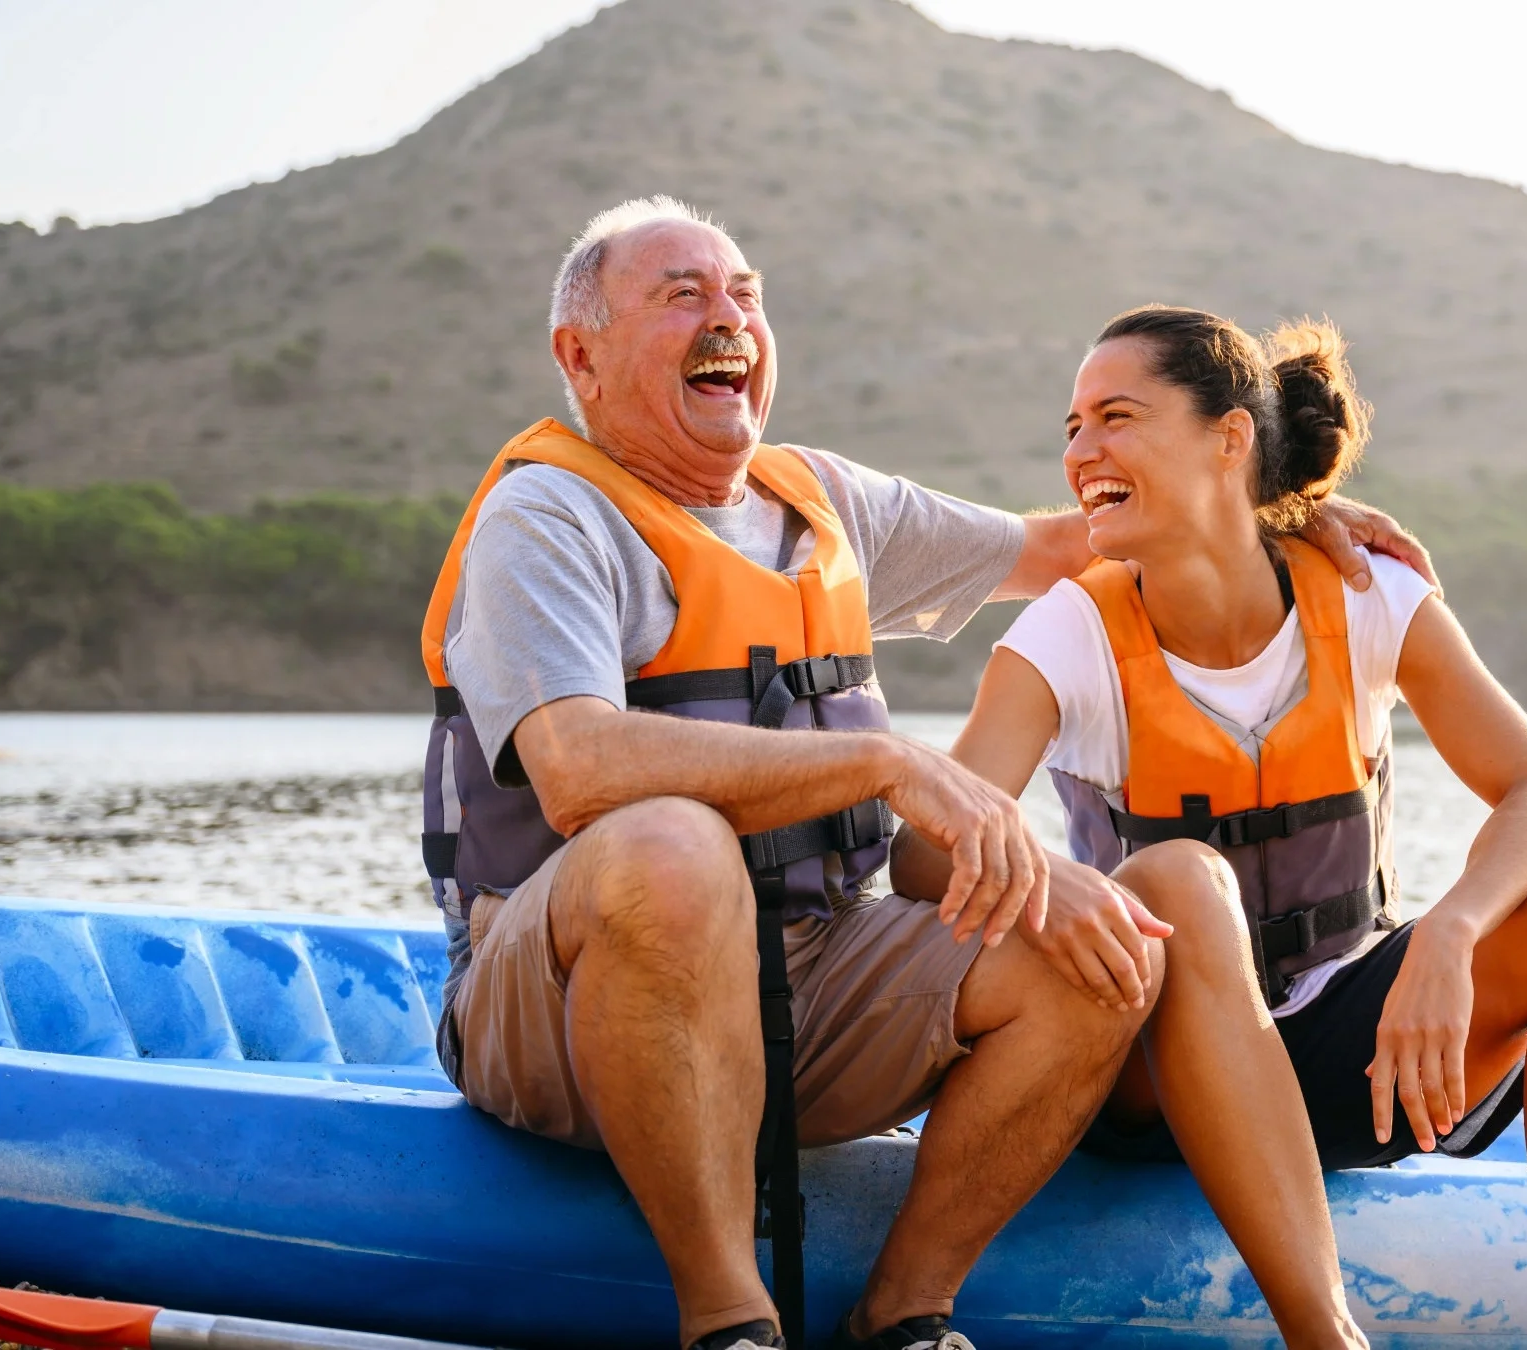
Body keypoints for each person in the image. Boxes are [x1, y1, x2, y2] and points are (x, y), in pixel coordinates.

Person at [417, 199, 1430, 1350]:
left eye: (745, 291)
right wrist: (884, 762)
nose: (729, 316)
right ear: (580, 355)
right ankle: (727, 1320)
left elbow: (1072, 546)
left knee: (1096, 947)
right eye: (682, 294)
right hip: (556, 1002)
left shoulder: (826, 504)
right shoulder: (545, 517)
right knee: (671, 845)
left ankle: (903, 1313)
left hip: (806, 982)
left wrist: (1255, 510)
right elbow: (579, 770)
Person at [892, 306, 1527, 1348]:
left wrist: (1453, 931)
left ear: (1229, 437)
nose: (1081, 453)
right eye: (1071, 427)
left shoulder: (1367, 592)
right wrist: (1048, 880)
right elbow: (921, 852)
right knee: (1175, 879)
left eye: (1115, 417)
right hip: (1148, 1083)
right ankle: (1324, 1334)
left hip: (1352, 1063)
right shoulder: (1070, 629)